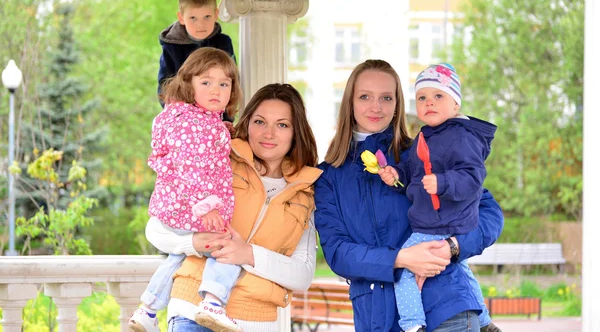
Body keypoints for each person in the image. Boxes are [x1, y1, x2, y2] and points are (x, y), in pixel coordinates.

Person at [314, 59, 504, 332]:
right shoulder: (329, 176)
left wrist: (452, 247)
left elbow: (487, 211)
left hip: (445, 306)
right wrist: (401, 259)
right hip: (376, 318)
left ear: (397, 105)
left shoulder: (422, 152)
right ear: (350, 102)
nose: (376, 107)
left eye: (386, 98)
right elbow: (338, 252)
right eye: (365, 96)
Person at [145, 83, 322, 332]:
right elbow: (156, 229)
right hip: (192, 312)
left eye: (282, 125)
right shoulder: (218, 161)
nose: (268, 133)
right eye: (260, 121)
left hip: (256, 321)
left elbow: (302, 275)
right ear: (247, 123)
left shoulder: (305, 191)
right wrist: (194, 243)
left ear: (296, 132)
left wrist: (247, 254)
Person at [378, 63, 499, 332]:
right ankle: (485, 322)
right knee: (461, 266)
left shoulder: (461, 137)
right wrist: (394, 174)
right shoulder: (424, 137)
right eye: (422, 97)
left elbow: (473, 176)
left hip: (440, 223)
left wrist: (443, 182)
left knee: (404, 270)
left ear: (455, 105)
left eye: (438, 96)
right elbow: (410, 172)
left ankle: (413, 325)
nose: (429, 103)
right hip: (438, 221)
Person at [129, 47, 243, 332]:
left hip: (175, 209)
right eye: (206, 82)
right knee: (227, 246)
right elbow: (191, 167)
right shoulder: (196, 125)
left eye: (224, 84)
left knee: (178, 258)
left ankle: (148, 310)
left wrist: (221, 132)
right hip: (194, 208)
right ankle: (213, 302)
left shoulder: (185, 119)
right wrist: (208, 207)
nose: (215, 90)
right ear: (188, 83)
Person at [158, 0, 236, 120]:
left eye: (207, 17)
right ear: (181, 18)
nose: (201, 24)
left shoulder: (223, 43)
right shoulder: (172, 47)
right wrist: (179, 116)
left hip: (217, 116)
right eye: (193, 18)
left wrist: (227, 118)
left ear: (216, 14)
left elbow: (232, 80)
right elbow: (165, 85)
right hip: (184, 117)